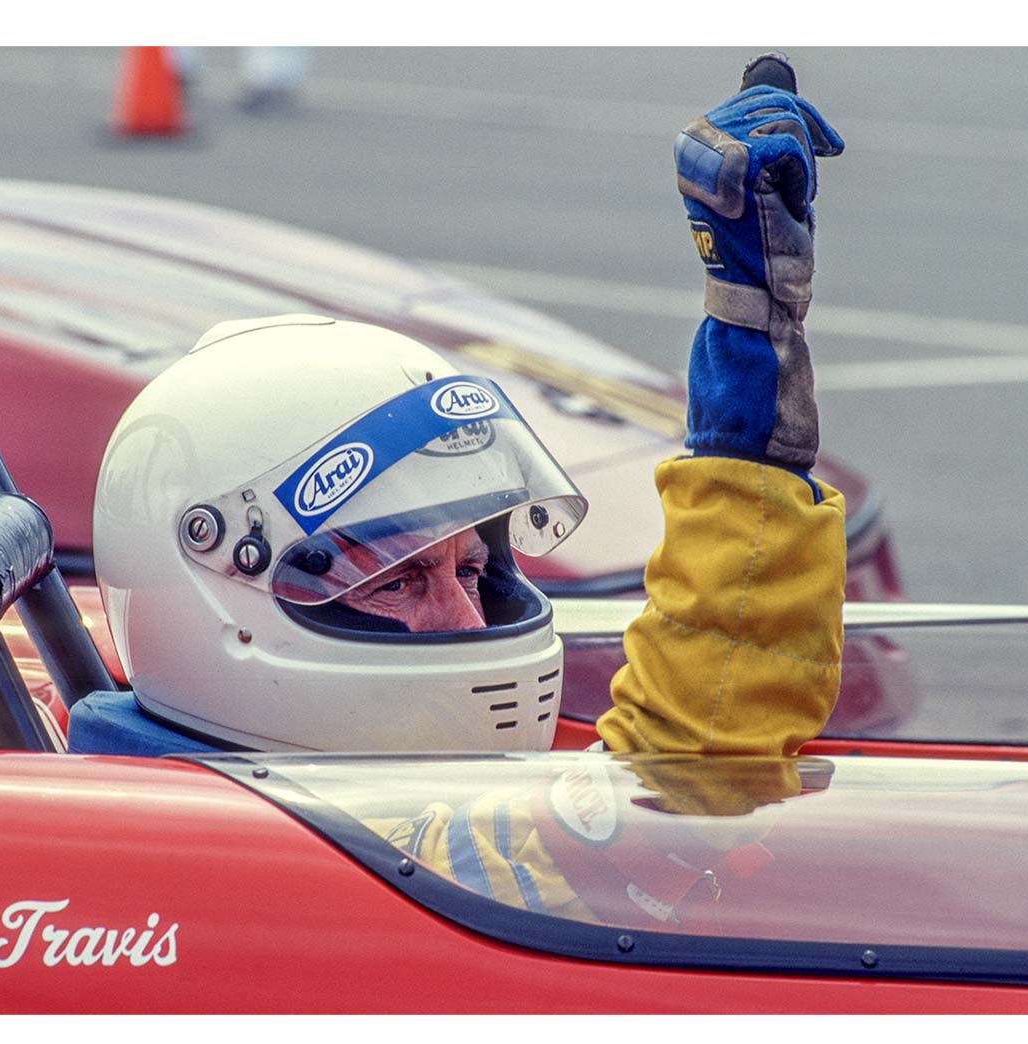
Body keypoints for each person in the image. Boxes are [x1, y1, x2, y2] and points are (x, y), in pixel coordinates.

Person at [69, 54, 846, 767]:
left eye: (472, 569)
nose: (468, 622)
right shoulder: (164, 884)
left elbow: (690, 754)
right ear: (226, 603)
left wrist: (748, 360)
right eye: (398, 581)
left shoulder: (418, 825)